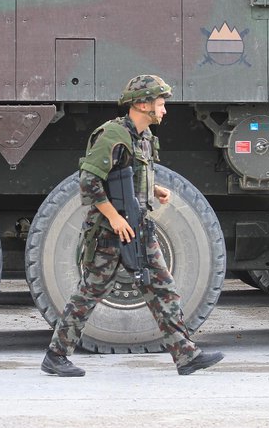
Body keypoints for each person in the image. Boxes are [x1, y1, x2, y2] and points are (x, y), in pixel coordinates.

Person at [41, 74, 224, 377]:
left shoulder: (145, 137)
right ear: (142, 104)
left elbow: (127, 177)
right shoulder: (113, 135)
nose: (164, 110)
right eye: (160, 103)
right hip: (110, 233)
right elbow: (89, 181)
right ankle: (56, 355)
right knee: (90, 292)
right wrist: (113, 217)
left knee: (163, 289)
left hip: (139, 228)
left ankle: (186, 354)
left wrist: (154, 189)